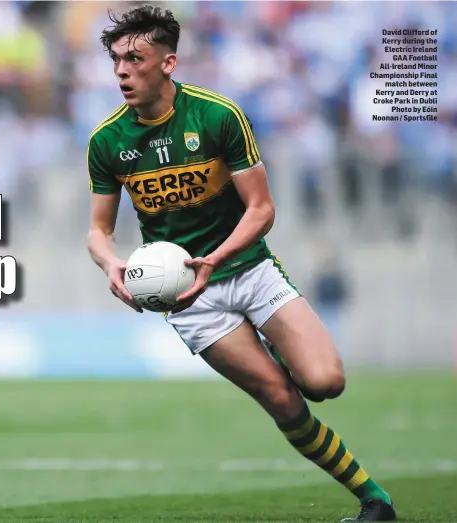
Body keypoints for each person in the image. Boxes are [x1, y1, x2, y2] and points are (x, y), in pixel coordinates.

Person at [85, 5, 396, 522]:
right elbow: (97, 231)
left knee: (324, 383)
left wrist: (217, 257)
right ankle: (373, 499)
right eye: (115, 59)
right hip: (190, 299)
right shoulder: (107, 142)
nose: (121, 70)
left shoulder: (217, 115)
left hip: (249, 270)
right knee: (283, 399)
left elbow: (262, 209)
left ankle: (279, 340)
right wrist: (110, 264)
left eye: (134, 58)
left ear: (168, 62)